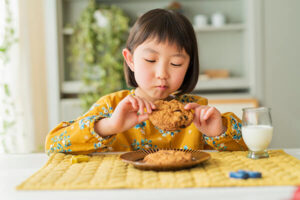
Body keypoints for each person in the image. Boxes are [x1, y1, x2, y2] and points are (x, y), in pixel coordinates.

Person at [45, 9, 247, 155]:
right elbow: (53, 144)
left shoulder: (195, 112)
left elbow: (249, 149)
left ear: (189, 66)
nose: (162, 73)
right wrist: (108, 126)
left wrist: (218, 131)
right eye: (151, 60)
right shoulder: (112, 107)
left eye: (176, 63)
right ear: (130, 59)